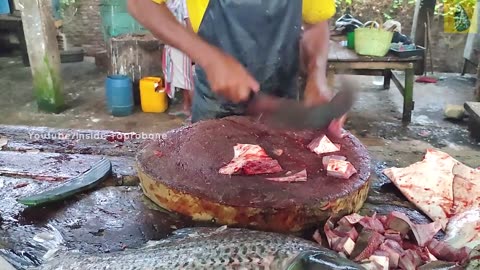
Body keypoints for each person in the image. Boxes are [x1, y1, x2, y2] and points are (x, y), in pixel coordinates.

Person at [128, 0, 345, 136]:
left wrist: (316, 76)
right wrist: (210, 59)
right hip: (215, 107)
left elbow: (316, 24)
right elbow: (140, 4)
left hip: (284, 107)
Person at [162, 0, 194, 117]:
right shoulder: (170, 3)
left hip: (182, 43)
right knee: (182, 79)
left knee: (187, 80)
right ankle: (186, 108)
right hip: (173, 43)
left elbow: (188, 21)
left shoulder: (184, 3)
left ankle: (194, 114)